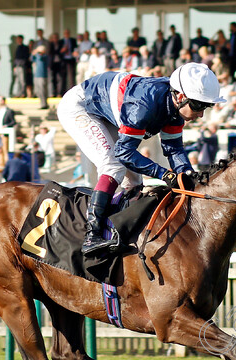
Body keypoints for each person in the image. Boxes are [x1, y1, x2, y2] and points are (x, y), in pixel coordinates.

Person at [56, 62, 224, 255]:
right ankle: (92, 234)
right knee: (113, 166)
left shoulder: (175, 108)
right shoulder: (145, 105)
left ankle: (119, 230)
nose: (201, 114)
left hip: (108, 111)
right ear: (181, 96)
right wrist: (164, 174)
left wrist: (186, 175)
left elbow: (174, 149)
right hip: (81, 107)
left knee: (134, 181)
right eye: (198, 105)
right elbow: (124, 153)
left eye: (207, 106)